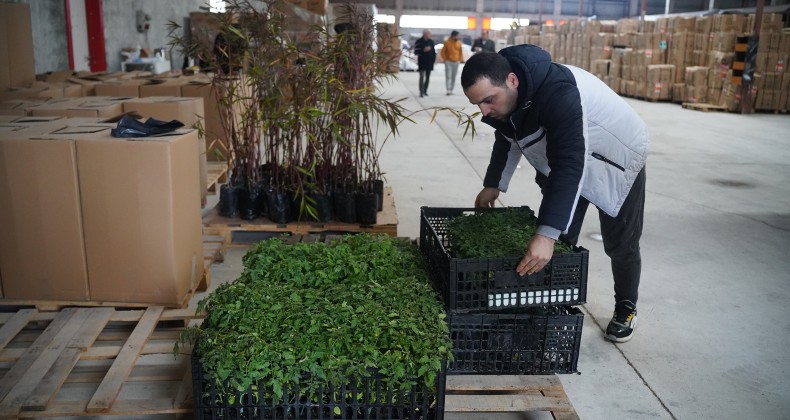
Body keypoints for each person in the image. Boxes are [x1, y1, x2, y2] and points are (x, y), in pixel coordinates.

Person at [461, 46, 649, 343]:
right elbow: (506, 134)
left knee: (619, 242)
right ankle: (557, 299)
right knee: (563, 240)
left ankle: (626, 304)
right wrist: (494, 183)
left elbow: (570, 163)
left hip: (615, 157)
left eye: (488, 100)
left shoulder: (557, 92)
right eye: (478, 104)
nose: (484, 111)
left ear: (512, 80)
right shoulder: (509, 95)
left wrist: (545, 235)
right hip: (569, 159)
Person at [440, 30, 464, 95]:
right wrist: (445, 59)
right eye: (458, 35)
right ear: (454, 36)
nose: (459, 37)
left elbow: (460, 52)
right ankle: (448, 90)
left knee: (454, 76)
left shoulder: (459, 43)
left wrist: (460, 60)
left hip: (456, 62)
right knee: (448, 76)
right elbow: (443, 52)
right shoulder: (447, 42)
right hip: (448, 61)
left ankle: (451, 89)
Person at [414, 29, 436, 97]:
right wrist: (423, 50)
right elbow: (416, 52)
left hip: (429, 63)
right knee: (421, 77)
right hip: (422, 62)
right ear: (425, 34)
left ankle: (425, 90)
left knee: (427, 77)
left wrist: (433, 61)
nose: (430, 35)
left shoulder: (431, 42)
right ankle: (421, 91)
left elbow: (433, 52)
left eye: (430, 34)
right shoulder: (419, 41)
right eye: (428, 34)